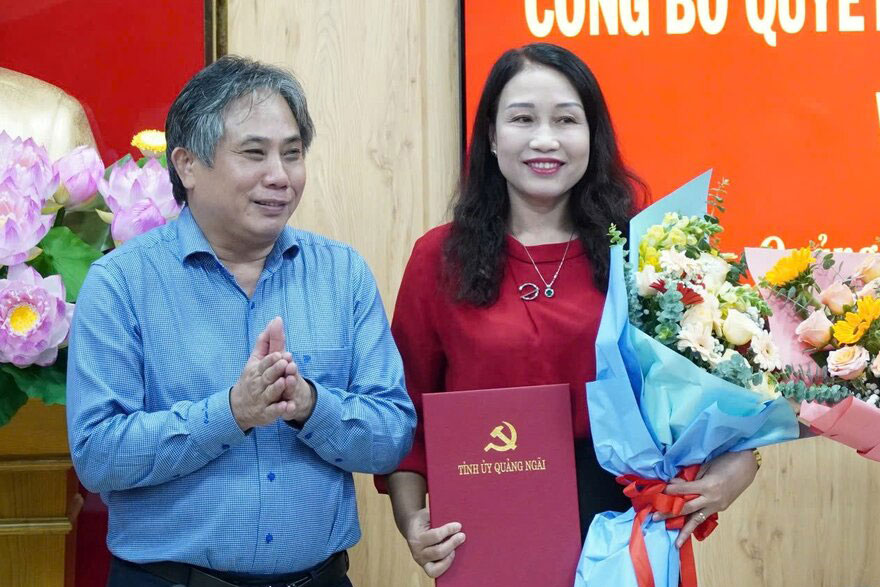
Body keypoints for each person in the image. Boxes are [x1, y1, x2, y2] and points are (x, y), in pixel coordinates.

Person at [376, 43, 760, 579]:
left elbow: (723, 404)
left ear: (592, 135)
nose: (545, 140)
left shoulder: (648, 252)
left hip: (626, 531)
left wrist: (736, 470)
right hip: (492, 527)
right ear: (490, 136)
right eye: (522, 119)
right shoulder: (439, 258)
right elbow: (406, 416)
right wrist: (412, 521)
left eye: (565, 120)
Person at [67, 55, 416, 587]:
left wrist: (309, 406)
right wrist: (231, 413)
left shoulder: (342, 274)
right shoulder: (121, 284)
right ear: (186, 164)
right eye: (254, 154)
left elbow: (392, 435)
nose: (279, 176)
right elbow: (99, 454)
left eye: (292, 154)